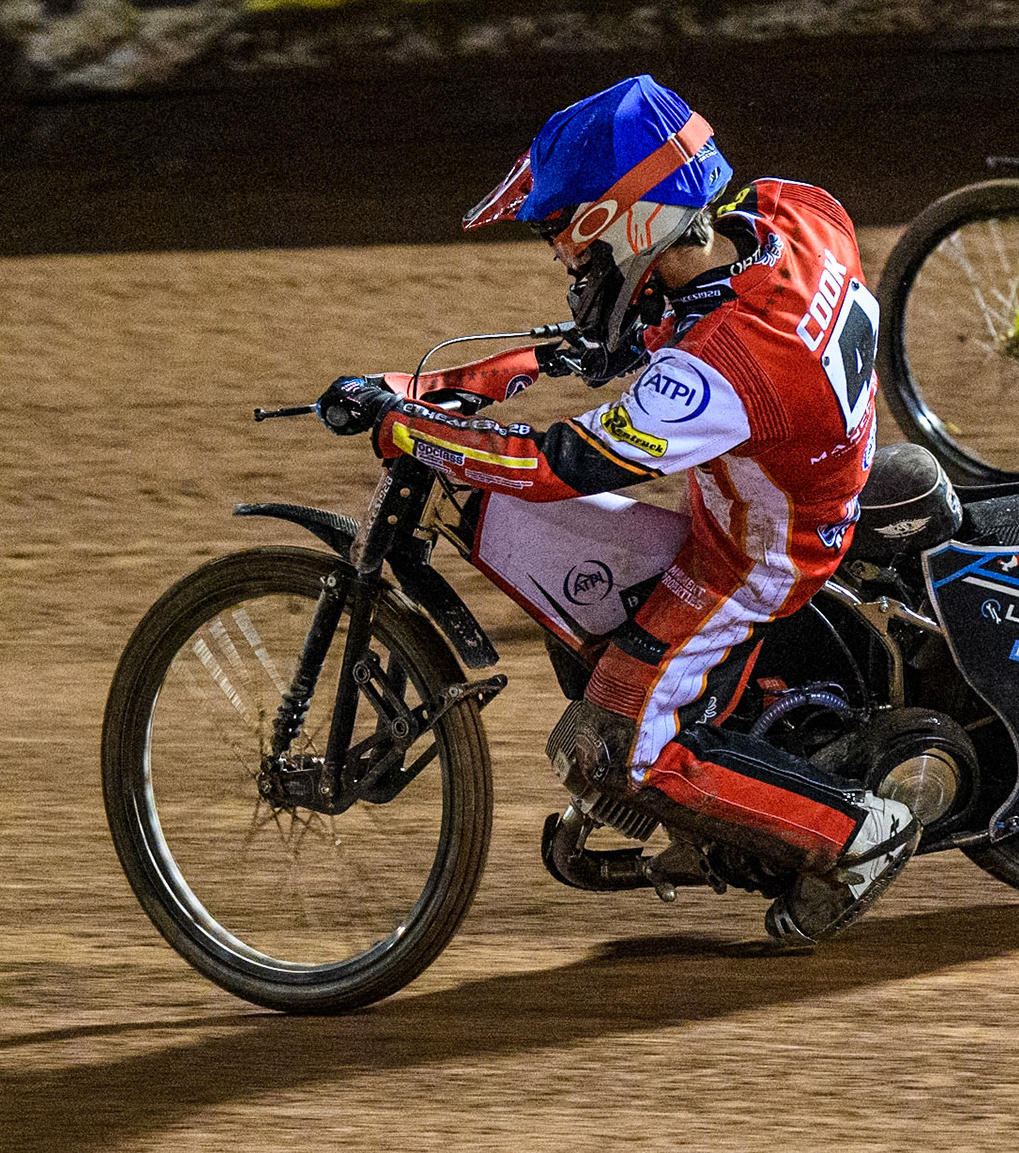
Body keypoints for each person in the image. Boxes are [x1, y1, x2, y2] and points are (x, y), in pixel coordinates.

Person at [313, 75, 916, 943]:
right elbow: (633, 337)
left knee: (610, 747)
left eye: (565, 231)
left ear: (631, 221)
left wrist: (412, 434)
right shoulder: (792, 214)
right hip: (793, 476)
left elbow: (553, 463)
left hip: (752, 560)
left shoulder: (727, 368)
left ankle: (854, 840)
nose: (563, 255)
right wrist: (435, 386)